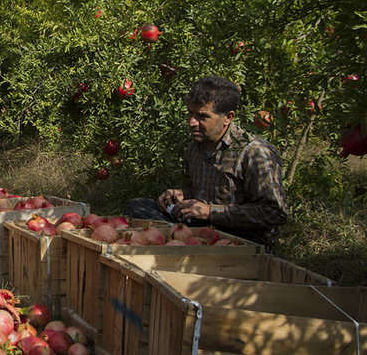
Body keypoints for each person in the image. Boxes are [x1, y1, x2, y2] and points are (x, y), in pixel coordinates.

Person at [123, 75, 288, 247]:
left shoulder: (255, 153)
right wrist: (182, 195)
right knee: (138, 207)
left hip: (240, 236)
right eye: (190, 113)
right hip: (202, 226)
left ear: (228, 117)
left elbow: (275, 213)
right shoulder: (195, 148)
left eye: (202, 116)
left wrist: (210, 212)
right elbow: (205, 193)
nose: (192, 122)